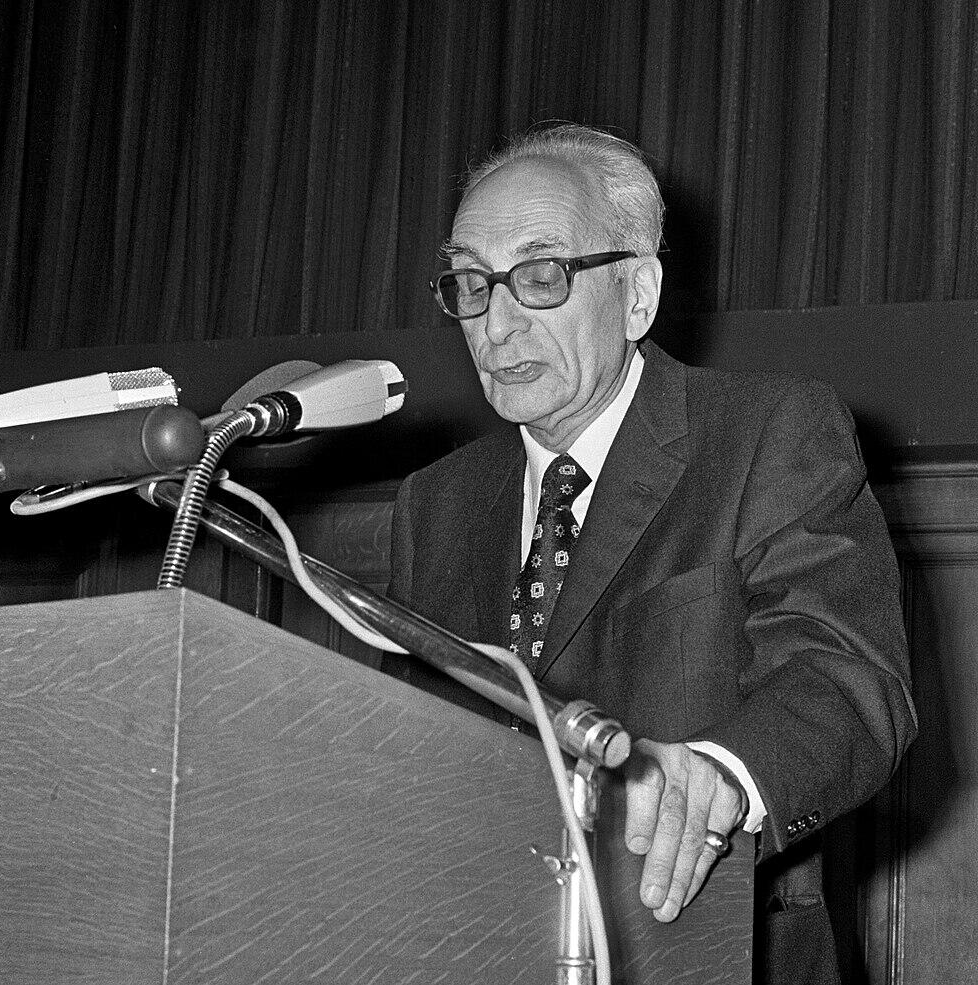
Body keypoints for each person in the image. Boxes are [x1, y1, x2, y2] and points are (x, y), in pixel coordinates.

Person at [386, 123, 916, 984]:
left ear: (637, 294)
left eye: (540, 274)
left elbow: (849, 679)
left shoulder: (769, 434)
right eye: (470, 283)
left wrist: (723, 774)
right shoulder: (434, 504)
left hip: (710, 946)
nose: (496, 319)